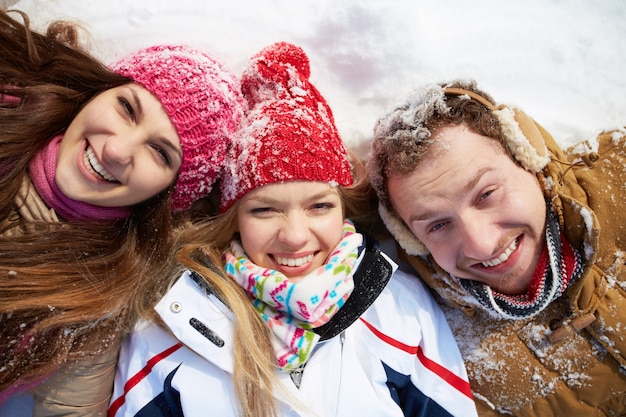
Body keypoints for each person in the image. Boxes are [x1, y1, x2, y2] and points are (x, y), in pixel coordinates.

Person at [109, 42, 476, 417]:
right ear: (233, 218)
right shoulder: (170, 326)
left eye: (319, 206)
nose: (295, 236)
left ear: (343, 206)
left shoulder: (399, 307)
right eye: (265, 210)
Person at [0, 9, 244, 416]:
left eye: (159, 152)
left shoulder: (98, 288)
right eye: (127, 109)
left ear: (167, 191)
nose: (115, 150)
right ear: (102, 92)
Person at [367, 78, 626, 415]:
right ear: (413, 241)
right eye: (438, 225)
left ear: (526, 157)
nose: (481, 244)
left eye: (486, 194)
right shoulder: (437, 353)